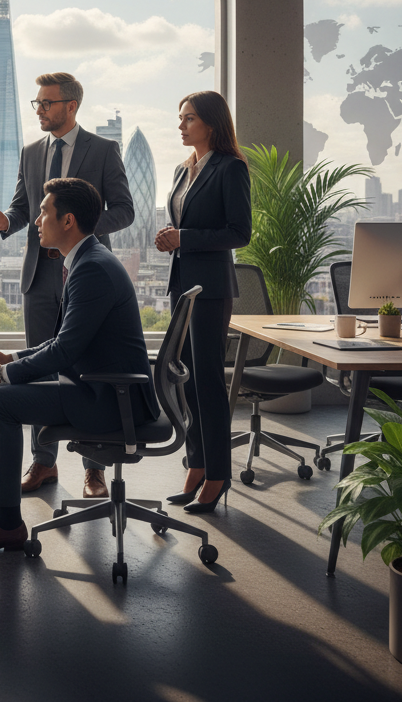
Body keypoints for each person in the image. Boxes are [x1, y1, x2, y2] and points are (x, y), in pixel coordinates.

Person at [0, 177, 158, 553]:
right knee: (6, 395)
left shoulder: (91, 269)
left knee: (0, 402)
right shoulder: (88, 260)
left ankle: (7, 525)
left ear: (67, 221)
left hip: (110, 398)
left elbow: (64, 351)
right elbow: (63, 342)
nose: (35, 220)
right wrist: (10, 358)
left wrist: (2, 375)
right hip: (102, 387)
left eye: (44, 212)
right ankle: (7, 521)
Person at [0, 72, 134, 499]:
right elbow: (24, 207)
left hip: (83, 268)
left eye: (47, 103)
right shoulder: (30, 153)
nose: (40, 109)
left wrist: (78, 229)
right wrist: (7, 220)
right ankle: (43, 463)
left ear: (71, 106)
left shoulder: (103, 150)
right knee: (37, 371)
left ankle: (95, 470)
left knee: (85, 366)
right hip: (40, 273)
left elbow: (124, 209)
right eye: (37, 103)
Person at [154, 91, 251, 514]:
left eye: (188, 118)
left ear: (210, 123)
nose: (181, 125)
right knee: (186, 381)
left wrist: (186, 239)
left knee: (208, 382)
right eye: (180, 118)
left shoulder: (230, 169)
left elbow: (239, 232)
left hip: (211, 289)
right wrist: (169, 237)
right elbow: (184, 223)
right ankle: (195, 465)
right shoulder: (183, 169)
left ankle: (218, 475)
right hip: (183, 284)